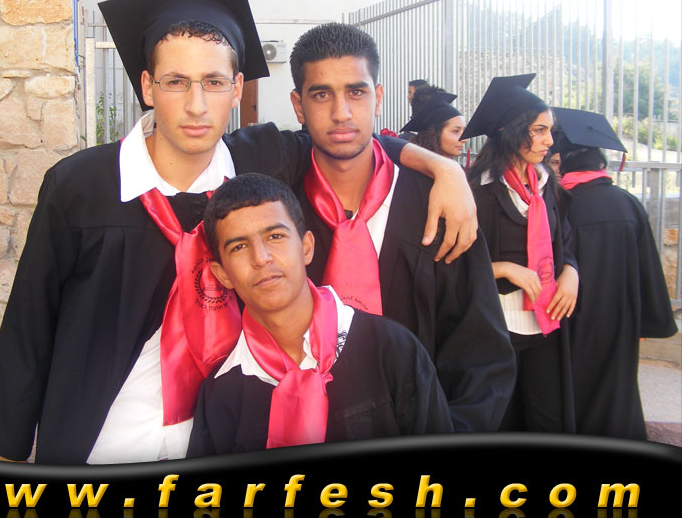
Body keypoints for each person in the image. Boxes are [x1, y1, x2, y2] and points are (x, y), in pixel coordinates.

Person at [0, 0, 478, 464]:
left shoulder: (259, 162)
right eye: (176, 82)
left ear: (237, 88)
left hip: (220, 431)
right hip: (101, 439)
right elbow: (31, 320)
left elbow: (346, 137)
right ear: (147, 86)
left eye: (214, 82)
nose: (197, 106)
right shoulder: (81, 185)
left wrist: (443, 169)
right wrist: (9, 448)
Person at [286, 23, 516, 433]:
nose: (341, 112)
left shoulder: (438, 206)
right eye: (321, 94)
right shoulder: (278, 212)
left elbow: (481, 352)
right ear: (298, 106)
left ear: (378, 98)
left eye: (356, 92)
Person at [187, 173, 453, 456]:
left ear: (306, 248)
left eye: (275, 236)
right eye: (239, 247)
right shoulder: (221, 395)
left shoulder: (391, 350)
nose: (261, 258)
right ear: (222, 275)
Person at [551, 107, 678, 439]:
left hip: (570, 320)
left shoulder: (558, 204)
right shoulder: (628, 204)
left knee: (571, 389)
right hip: (620, 319)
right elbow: (648, 267)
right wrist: (647, 320)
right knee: (617, 389)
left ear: (563, 162)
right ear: (600, 163)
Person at [464, 74, 579, 433]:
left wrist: (571, 272)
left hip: (546, 322)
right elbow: (448, 262)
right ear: (511, 131)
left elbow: (566, 242)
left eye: (549, 130)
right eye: (539, 130)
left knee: (546, 418)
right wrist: (502, 268)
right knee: (501, 419)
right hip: (496, 326)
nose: (550, 141)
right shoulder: (476, 192)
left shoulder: (546, 185)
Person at [402, 86, 467, 159]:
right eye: (456, 131)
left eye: (464, 131)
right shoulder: (413, 163)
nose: (464, 139)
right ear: (433, 132)